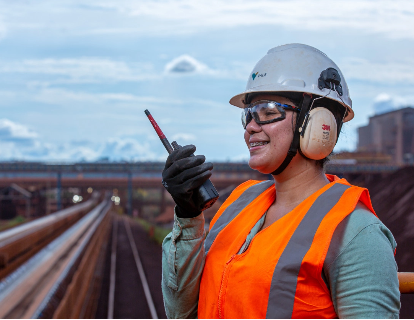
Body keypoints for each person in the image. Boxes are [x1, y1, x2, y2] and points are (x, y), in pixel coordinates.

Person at [161, 44, 401, 319]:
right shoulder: (240, 204)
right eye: (249, 114)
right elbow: (182, 311)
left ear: (318, 122)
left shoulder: (356, 233)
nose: (251, 126)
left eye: (267, 111)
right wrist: (188, 215)